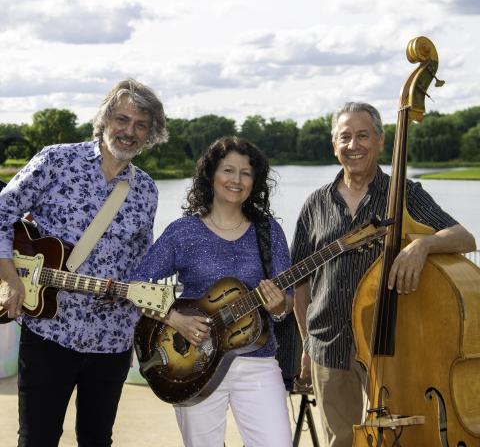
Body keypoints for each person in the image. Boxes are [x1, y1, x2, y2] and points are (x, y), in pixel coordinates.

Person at [291, 102, 476, 447]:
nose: (353, 145)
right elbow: (300, 283)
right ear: (334, 146)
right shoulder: (315, 203)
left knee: (397, 439)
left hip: (389, 344)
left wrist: (420, 247)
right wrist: (305, 342)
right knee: (340, 441)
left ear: (380, 141)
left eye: (363, 135)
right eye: (345, 137)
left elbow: (464, 238)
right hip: (328, 343)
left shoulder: (404, 195)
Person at [0, 79, 168, 447]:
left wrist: (145, 292)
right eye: (122, 119)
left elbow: (142, 258)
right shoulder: (57, 161)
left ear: (150, 134)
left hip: (112, 339)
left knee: (97, 439)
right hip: (49, 331)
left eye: (141, 125)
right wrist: (10, 277)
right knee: (37, 438)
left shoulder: (147, 190)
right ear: (105, 119)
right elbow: (2, 210)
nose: (129, 132)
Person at [133, 136, 294, 447]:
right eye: (228, 170)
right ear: (210, 175)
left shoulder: (268, 230)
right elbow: (140, 285)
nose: (236, 180)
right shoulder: (183, 231)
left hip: (257, 360)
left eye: (246, 173)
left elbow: (285, 301)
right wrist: (174, 318)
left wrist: (278, 307)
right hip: (193, 363)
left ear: (254, 181)